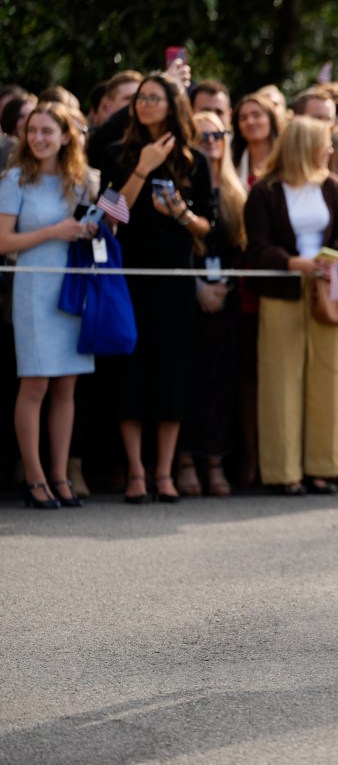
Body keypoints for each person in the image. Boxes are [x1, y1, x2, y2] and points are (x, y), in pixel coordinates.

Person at [97, 73, 216, 504]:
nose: (145, 104)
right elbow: (110, 216)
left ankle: (164, 472)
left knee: (172, 372)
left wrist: (181, 213)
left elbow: (207, 226)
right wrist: (142, 168)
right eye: (141, 98)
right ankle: (135, 472)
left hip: (175, 279)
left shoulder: (194, 160)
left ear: (173, 105)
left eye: (154, 98)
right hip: (129, 276)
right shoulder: (117, 153)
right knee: (130, 372)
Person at [244, 116, 338, 494]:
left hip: (328, 291)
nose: (330, 150)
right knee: (280, 381)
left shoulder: (333, 186)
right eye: (324, 143)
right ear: (305, 146)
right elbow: (256, 249)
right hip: (283, 293)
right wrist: (295, 263)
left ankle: (325, 467)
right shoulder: (264, 191)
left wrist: (332, 261)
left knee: (331, 377)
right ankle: (284, 471)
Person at [0, 102, 99, 509]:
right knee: (36, 383)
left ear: (64, 137)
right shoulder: (14, 179)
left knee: (67, 384)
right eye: (33, 131)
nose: (39, 138)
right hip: (34, 287)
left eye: (48, 131)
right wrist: (54, 231)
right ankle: (35, 477)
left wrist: (87, 229)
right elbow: (4, 243)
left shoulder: (80, 182)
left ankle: (60, 476)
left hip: (72, 288)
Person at [173, 111, 248, 498]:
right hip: (190, 300)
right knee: (189, 380)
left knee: (221, 383)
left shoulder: (237, 192)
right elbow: (176, 248)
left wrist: (224, 288)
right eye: (202, 136)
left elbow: (241, 252)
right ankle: (185, 461)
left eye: (218, 134)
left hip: (226, 303)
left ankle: (215, 461)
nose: (211, 142)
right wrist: (197, 287)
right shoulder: (183, 187)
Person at [230, 93, 281, 189]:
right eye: (243, 118)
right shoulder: (231, 162)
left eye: (256, 115)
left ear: (271, 120)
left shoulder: (286, 158)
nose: (250, 121)